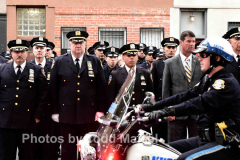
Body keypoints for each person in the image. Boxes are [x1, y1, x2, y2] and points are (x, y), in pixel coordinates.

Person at [144, 37, 240, 160]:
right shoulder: (208, 79)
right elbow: (185, 96)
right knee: (160, 150)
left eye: (204, 54)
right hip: (204, 139)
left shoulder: (225, 83)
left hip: (224, 142)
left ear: (217, 58)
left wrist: (165, 111)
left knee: (184, 159)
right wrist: (152, 106)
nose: (199, 58)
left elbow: (199, 103)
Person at [50, 30, 106, 160]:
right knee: (67, 151)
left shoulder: (94, 61)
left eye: (80, 42)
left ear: (85, 44)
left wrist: (100, 110)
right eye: (75, 42)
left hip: (89, 115)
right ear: (69, 44)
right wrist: (55, 111)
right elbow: (53, 89)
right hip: (66, 115)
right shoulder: (59, 61)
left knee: (88, 151)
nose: (78, 45)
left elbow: (101, 88)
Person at [0, 39, 48, 160]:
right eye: (16, 51)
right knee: (6, 155)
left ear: (27, 53)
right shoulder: (2, 70)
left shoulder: (36, 70)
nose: (19, 54)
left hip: (28, 122)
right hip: (6, 122)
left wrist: (37, 116)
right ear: (11, 53)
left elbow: (43, 95)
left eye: (22, 51)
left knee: (27, 155)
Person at [162, 31, 204, 142]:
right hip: (176, 112)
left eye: (194, 41)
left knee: (196, 144)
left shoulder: (200, 61)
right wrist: (168, 111)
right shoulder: (170, 63)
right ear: (181, 42)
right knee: (175, 145)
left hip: (195, 112)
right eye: (189, 41)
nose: (192, 44)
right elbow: (166, 89)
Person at [150, 37, 179, 142]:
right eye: (169, 47)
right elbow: (153, 87)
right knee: (160, 137)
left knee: (176, 137)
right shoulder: (157, 64)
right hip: (161, 105)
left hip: (177, 105)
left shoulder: (181, 63)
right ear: (163, 49)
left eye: (174, 47)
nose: (171, 49)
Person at [107, 43, 153, 109]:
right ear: (123, 58)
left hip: (141, 112)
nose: (132, 58)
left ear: (137, 57)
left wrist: (150, 111)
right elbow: (111, 98)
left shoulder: (145, 73)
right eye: (129, 56)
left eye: (134, 55)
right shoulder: (115, 74)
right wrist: (111, 114)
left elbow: (151, 95)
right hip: (122, 113)